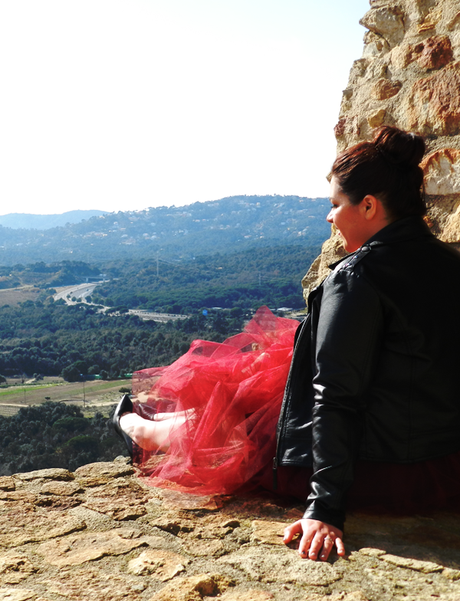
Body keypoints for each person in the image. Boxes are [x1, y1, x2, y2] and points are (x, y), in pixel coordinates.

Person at [114, 126, 460, 563]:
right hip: (443, 462)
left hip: (378, 470)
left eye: (335, 205)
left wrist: (325, 507)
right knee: (263, 388)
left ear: (369, 206)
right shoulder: (450, 263)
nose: (329, 218)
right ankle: (171, 420)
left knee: (246, 441)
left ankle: (139, 430)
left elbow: (336, 395)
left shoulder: (357, 276)